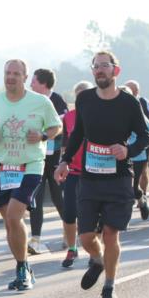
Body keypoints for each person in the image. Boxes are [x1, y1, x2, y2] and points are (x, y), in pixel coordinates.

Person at [54, 51, 149, 298]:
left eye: (105, 66)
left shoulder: (129, 103)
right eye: (96, 66)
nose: (100, 70)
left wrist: (127, 150)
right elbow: (77, 135)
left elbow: (144, 136)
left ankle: (109, 287)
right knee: (86, 237)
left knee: (111, 233)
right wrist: (64, 161)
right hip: (90, 177)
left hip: (118, 177)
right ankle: (97, 259)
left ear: (115, 71)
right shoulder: (84, 99)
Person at [0, 59, 62, 290]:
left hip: (31, 165)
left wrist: (44, 136)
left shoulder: (40, 102)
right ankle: (22, 265)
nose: (11, 77)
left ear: (25, 77)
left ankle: (22, 269)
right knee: (9, 222)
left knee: (15, 217)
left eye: (16, 73)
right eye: (8, 72)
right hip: (3, 168)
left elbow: (57, 127)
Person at [27, 68, 68, 254]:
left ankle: (69, 232)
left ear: (43, 84)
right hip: (36, 158)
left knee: (59, 198)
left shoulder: (57, 100)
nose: (30, 85)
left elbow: (60, 123)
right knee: (36, 198)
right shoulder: (31, 101)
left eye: (33, 82)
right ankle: (35, 239)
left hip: (55, 158)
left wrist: (43, 131)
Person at [59, 81, 93, 268]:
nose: (82, 97)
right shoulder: (69, 117)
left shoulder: (98, 115)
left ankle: (94, 250)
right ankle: (72, 248)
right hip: (73, 170)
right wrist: (63, 164)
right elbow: (66, 143)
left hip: (94, 171)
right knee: (69, 212)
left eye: (85, 93)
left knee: (90, 213)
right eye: (78, 94)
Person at [124, 80, 149, 221]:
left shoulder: (139, 108)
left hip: (138, 152)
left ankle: (141, 198)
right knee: (122, 184)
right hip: (120, 154)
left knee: (134, 185)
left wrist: (136, 134)